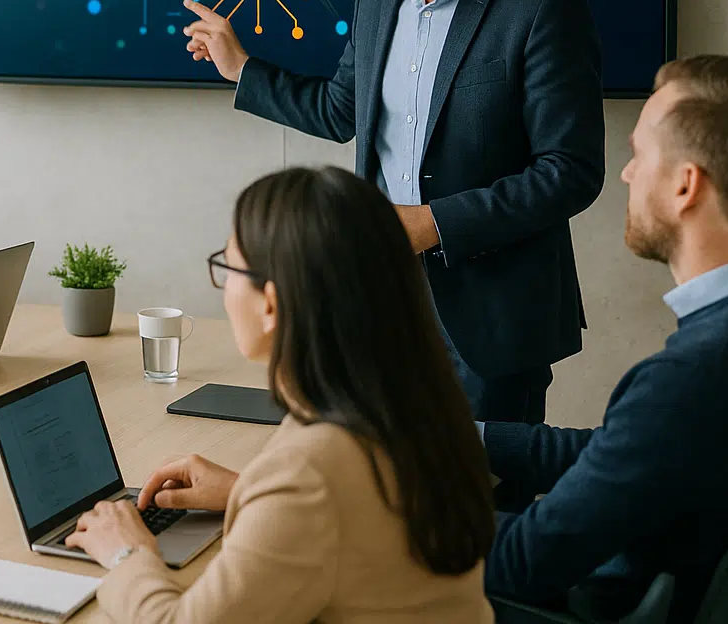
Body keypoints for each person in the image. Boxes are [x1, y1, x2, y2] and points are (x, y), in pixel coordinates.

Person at [184, 0, 605, 426]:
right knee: (382, 502)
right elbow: (341, 110)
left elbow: (569, 172)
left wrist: (430, 223)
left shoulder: (543, 3)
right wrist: (242, 68)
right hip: (379, 304)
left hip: (490, 322)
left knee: (482, 517)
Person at [65, 166, 494, 622]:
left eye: (228, 267)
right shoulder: (405, 403)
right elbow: (352, 520)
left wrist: (126, 554)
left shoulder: (311, 468)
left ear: (270, 304)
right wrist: (247, 492)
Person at [483, 55, 728, 622]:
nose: (626, 174)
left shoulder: (696, 376)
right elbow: (623, 455)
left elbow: (521, 562)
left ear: (686, 185)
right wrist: (464, 435)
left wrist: (377, 514)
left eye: (638, 156)